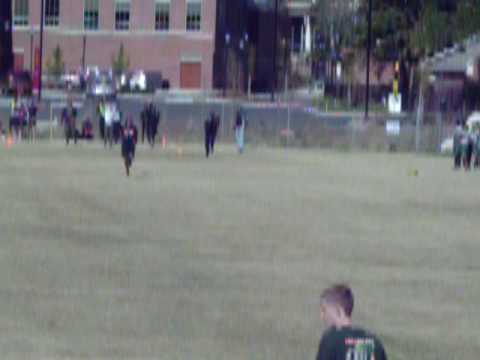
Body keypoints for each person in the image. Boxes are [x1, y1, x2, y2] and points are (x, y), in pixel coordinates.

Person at [315, 284, 387, 360]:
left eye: (324, 310)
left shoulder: (330, 339)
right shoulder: (374, 342)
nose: (322, 316)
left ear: (338, 311)